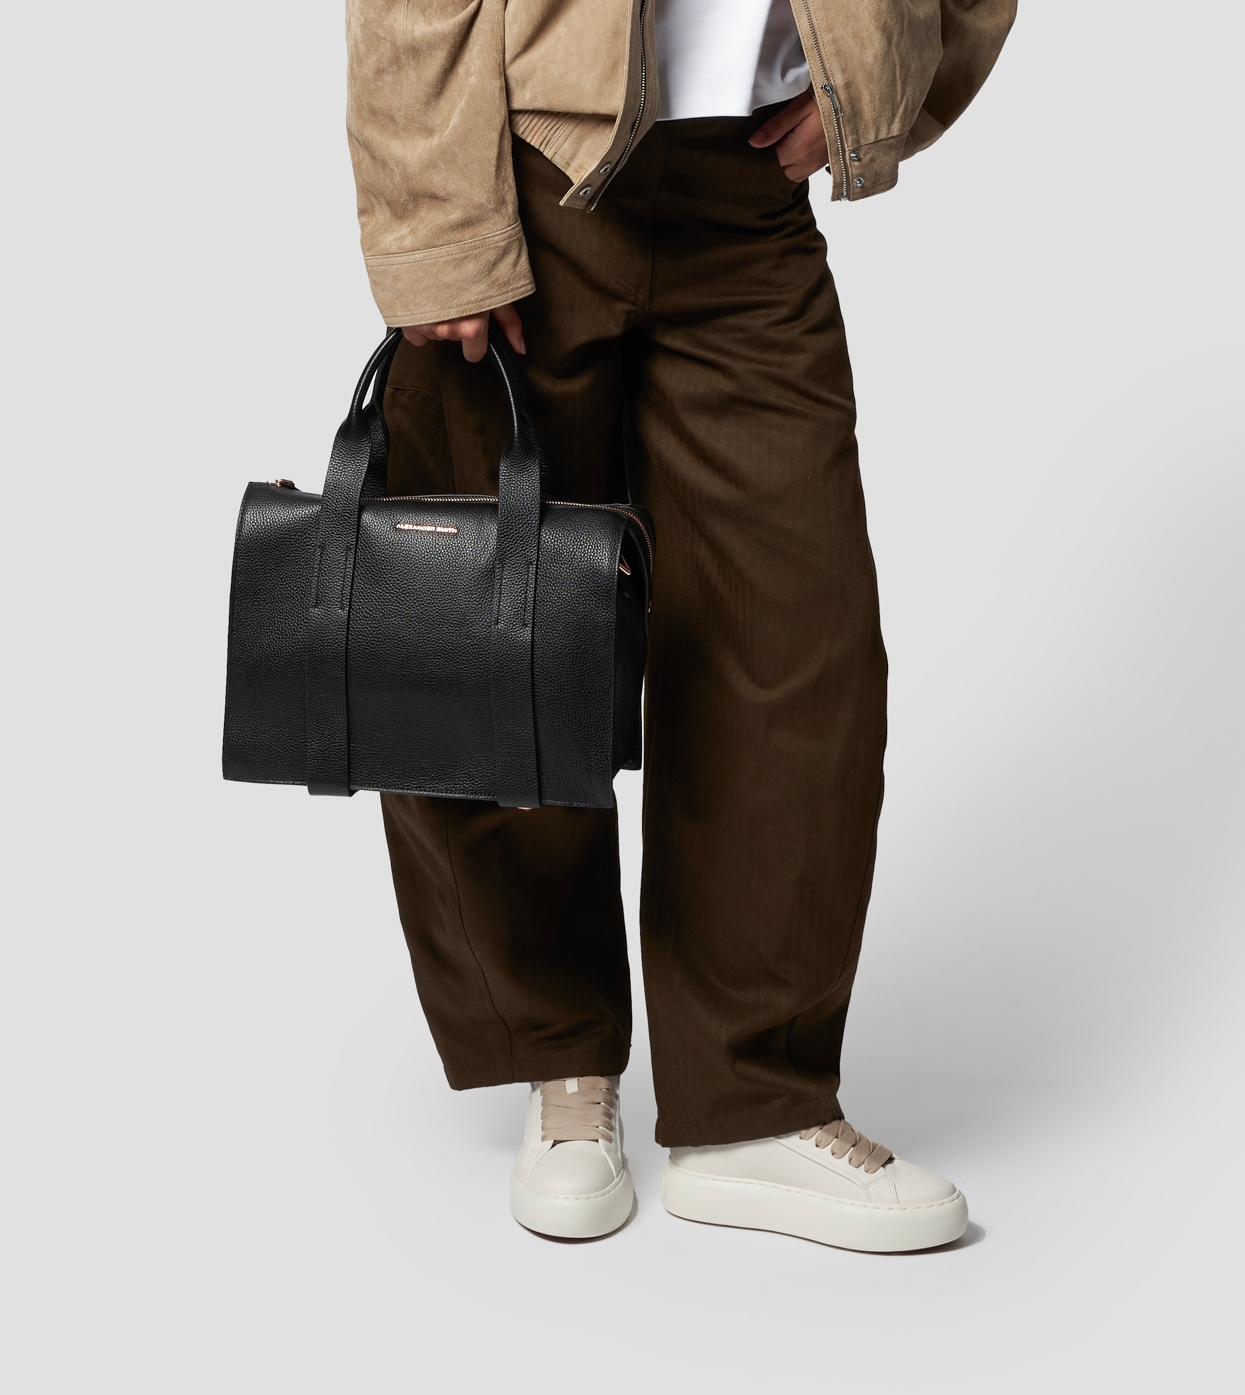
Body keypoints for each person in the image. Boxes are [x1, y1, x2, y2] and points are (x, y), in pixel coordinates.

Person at [344, 0, 1015, 1249]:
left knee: (796, 647)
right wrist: (435, 218)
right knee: (502, 648)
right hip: (527, 176)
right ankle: (561, 1058)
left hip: (751, 196)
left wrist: (888, 78)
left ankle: (752, 1105)